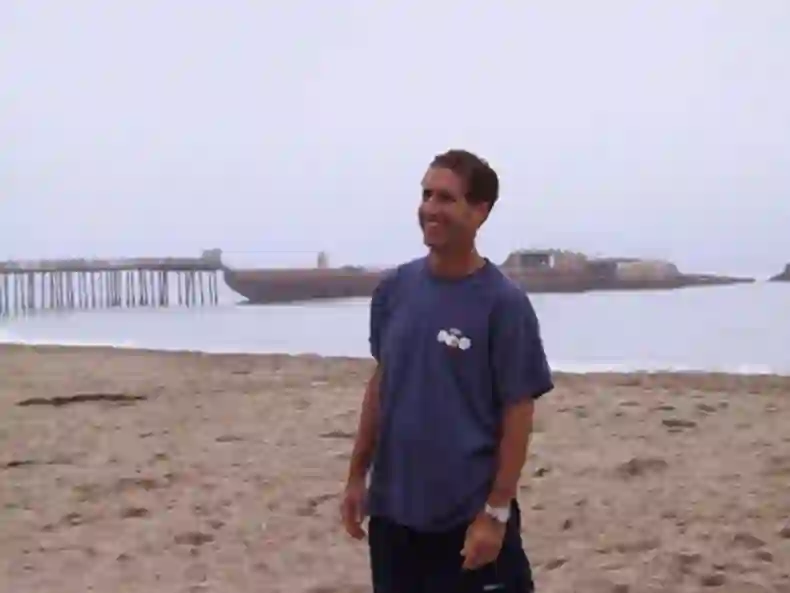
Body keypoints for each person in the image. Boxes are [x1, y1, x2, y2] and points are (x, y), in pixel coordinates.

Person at [340, 149, 554, 592]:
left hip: (467, 519)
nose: (430, 208)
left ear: (480, 212)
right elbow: (382, 383)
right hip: (394, 519)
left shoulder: (504, 305)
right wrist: (357, 477)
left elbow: (518, 413)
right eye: (426, 195)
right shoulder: (394, 290)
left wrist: (496, 513)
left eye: (446, 198)